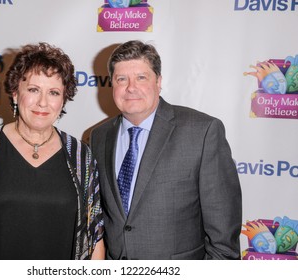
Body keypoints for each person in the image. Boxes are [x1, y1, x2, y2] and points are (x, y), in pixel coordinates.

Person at [0, 43, 105, 260]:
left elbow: (94, 238)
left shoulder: (80, 156)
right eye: (34, 89)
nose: (43, 102)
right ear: (16, 93)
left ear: (63, 99)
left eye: (53, 92)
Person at [90, 40, 242, 259]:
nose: (131, 87)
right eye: (121, 79)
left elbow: (223, 240)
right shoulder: (99, 137)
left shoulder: (202, 132)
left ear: (158, 82)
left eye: (141, 78)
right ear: (112, 84)